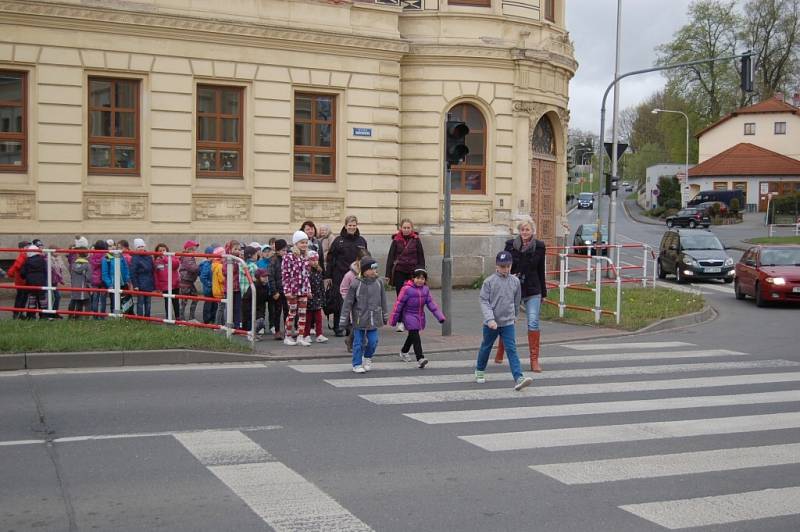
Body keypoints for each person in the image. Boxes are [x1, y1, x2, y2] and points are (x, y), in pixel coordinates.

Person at [474, 251, 533, 391]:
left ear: (511, 265)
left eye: (507, 266)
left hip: (508, 322)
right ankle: (480, 370)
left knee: (511, 349)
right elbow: (484, 301)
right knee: (486, 346)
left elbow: (516, 300)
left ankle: (519, 377)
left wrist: (515, 316)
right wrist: (490, 319)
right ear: (496, 266)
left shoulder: (515, 281)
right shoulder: (489, 282)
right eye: (502, 266)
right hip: (491, 323)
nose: (505, 269)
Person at [494, 220, 547, 372]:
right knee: (507, 320)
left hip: (532, 289)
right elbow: (504, 267)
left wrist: (543, 292)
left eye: (528, 230)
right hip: (513, 288)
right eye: (523, 230)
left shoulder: (539, 246)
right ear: (519, 231)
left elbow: (540, 269)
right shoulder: (510, 245)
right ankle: (500, 351)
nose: (525, 232)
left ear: (533, 231)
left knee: (533, 322)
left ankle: (534, 360)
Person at [389, 268, 445, 368]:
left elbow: (432, 304)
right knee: (415, 336)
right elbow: (398, 305)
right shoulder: (406, 289)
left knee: (412, 335)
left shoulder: (425, 290)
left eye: (422, 279)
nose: (420, 280)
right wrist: (393, 320)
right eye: (418, 278)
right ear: (413, 278)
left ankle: (404, 351)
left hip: (419, 315)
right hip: (408, 315)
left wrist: (440, 317)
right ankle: (420, 358)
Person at [340, 256, 388, 373]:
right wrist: (343, 320)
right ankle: (356, 364)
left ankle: (367, 358)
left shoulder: (379, 283)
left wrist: (385, 315)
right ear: (364, 270)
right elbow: (348, 303)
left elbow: (383, 300)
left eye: (375, 269)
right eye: (371, 269)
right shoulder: (356, 283)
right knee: (358, 342)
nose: (374, 272)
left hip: (374, 318)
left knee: (373, 341)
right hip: (359, 319)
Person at [325, 215, 368, 336]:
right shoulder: (338, 241)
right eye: (350, 225)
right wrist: (328, 276)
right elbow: (330, 258)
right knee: (341, 302)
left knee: (355, 301)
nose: (352, 227)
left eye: (354, 225)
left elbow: (366, 259)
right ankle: (339, 327)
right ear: (345, 226)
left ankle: (352, 327)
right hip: (339, 275)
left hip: (357, 276)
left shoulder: (361, 241)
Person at [385, 218, 426, 332]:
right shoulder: (396, 240)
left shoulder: (416, 240)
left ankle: (411, 320)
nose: (406, 230)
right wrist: (388, 274)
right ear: (400, 228)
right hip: (400, 272)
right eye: (404, 228)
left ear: (412, 229)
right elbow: (390, 257)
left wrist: (422, 273)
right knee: (401, 297)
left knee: (413, 298)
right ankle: (400, 322)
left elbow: (421, 257)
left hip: (413, 273)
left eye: (408, 228)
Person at [281, 231, 312, 346]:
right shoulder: (288, 257)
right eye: (302, 242)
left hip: (303, 290)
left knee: (303, 314)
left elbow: (307, 276)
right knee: (292, 313)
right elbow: (285, 275)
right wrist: (288, 290)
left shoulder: (305, 257)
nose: (304, 245)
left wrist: (308, 290)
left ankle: (300, 336)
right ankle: (288, 336)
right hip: (292, 291)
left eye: (306, 242)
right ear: (296, 243)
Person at [339, 249, 370, 352]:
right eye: (362, 262)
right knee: (356, 324)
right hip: (354, 304)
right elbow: (343, 288)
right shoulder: (349, 275)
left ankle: (355, 341)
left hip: (366, 303)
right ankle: (353, 342)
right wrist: (348, 299)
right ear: (357, 260)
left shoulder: (369, 273)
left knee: (365, 323)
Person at [302, 250, 328, 343]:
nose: (315, 262)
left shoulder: (319, 271)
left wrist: (323, 298)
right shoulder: (306, 272)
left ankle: (319, 334)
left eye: (316, 260)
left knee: (318, 318)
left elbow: (321, 286)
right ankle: (306, 335)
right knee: (308, 318)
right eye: (312, 260)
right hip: (309, 298)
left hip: (317, 298)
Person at [101, 244, 131, 314]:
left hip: (123, 283)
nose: (113, 247)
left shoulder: (121, 256)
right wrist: (109, 284)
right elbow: (104, 274)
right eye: (110, 246)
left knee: (126, 301)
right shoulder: (106, 258)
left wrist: (127, 279)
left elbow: (126, 268)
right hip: (113, 285)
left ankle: (126, 316)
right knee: (114, 302)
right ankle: (115, 316)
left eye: (113, 245)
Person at [269, 239, 289, 339]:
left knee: (287, 310)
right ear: (277, 251)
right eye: (283, 250)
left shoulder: (287, 259)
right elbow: (271, 277)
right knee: (277, 311)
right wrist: (274, 291)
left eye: (286, 250)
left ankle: (287, 330)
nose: (285, 252)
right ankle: (277, 330)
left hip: (286, 290)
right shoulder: (273, 261)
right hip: (277, 291)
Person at [20, 244, 47, 318]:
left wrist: (25, 277)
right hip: (41, 282)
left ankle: (31, 316)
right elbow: (46, 270)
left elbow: (22, 272)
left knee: (32, 299)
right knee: (42, 299)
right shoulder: (42, 260)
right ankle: (44, 315)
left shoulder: (27, 261)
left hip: (30, 283)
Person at [154, 243, 180, 320]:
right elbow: (156, 274)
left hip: (175, 284)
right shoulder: (156, 261)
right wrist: (157, 286)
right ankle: (168, 317)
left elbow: (176, 265)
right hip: (164, 285)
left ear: (167, 250)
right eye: (160, 251)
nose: (162, 252)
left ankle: (178, 317)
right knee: (167, 301)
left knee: (176, 301)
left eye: (163, 250)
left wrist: (165, 258)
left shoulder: (172, 257)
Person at [130, 238, 155, 317]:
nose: (141, 248)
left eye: (142, 246)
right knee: (140, 302)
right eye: (138, 247)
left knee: (148, 302)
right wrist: (135, 285)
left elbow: (152, 270)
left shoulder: (149, 257)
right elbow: (133, 272)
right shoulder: (135, 258)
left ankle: (147, 317)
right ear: (136, 248)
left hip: (148, 282)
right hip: (140, 283)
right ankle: (140, 318)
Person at [178, 240, 201, 322]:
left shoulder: (190, 257)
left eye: (195, 250)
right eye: (193, 250)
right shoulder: (187, 257)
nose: (195, 252)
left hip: (190, 281)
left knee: (195, 298)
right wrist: (199, 268)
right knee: (184, 301)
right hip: (185, 281)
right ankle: (182, 318)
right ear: (188, 249)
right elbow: (192, 268)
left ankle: (191, 317)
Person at [7, 240, 31, 319]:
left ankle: (20, 313)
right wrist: (11, 273)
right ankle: (17, 313)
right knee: (21, 297)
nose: (29, 248)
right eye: (27, 247)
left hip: (23, 280)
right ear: (22, 248)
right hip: (21, 281)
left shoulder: (26, 255)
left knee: (24, 297)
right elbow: (16, 266)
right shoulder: (23, 256)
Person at [240, 246, 260, 331]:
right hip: (251, 291)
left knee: (244, 311)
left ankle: (244, 328)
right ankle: (251, 329)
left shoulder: (241, 265)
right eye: (256, 254)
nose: (257, 256)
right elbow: (257, 278)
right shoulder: (254, 266)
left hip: (243, 291)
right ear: (251, 255)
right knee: (252, 310)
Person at [68, 247, 90, 317]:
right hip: (84, 286)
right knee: (87, 302)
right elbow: (89, 277)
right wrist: (90, 286)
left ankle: (72, 316)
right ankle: (87, 317)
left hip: (75, 285)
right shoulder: (87, 265)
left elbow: (71, 274)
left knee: (76, 301)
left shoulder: (73, 264)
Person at [89, 240, 108, 318]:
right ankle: (102, 315)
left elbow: (92, 267)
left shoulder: (92, 256)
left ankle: (95, 315)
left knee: (95, 298)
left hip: (95, 280)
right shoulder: (106, 256)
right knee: (103, 299)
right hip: (103, 280)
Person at [211, 247, 227, 325]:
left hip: (216, 290)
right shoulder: (220, 266)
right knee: (221, 308)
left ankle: (222, 323)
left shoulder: (214, 265)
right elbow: (222, 279)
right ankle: (217, 324)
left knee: (221, 307)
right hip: (221, 290)